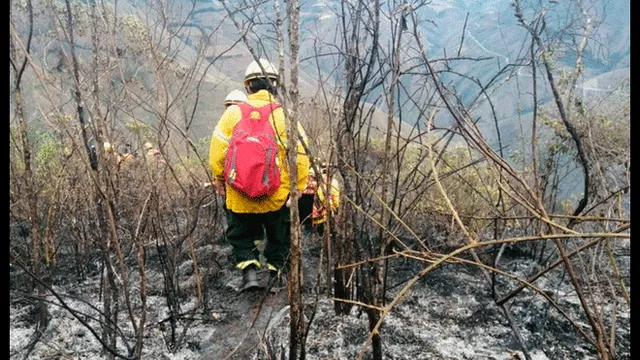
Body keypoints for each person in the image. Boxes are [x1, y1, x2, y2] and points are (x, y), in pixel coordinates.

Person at [208, 58, 310, 293]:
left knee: (240, 235)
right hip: (276, 195)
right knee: (279, 237)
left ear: (248, 86)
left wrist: (220, 180)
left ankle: (250, 275)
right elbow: (301, 154)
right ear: (275, 86)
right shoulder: (285, 116)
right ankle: (277, 278)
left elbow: (216, 153)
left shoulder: (232, 113)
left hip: (239, 194)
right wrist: (299, 186)